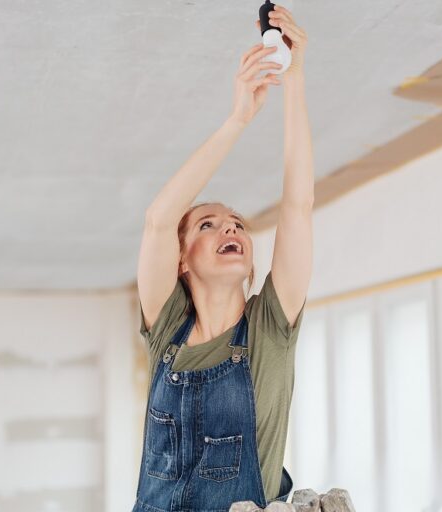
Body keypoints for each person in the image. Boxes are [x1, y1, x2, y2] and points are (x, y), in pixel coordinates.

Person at [132, 6, 313, 511]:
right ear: (181, 260)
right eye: (207, 225)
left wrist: (294, 79)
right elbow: (157, 220)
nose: (230, 227)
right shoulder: (165, 324)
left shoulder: (270, 330)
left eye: (236, 224)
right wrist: (239, 118)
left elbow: (298, 207)